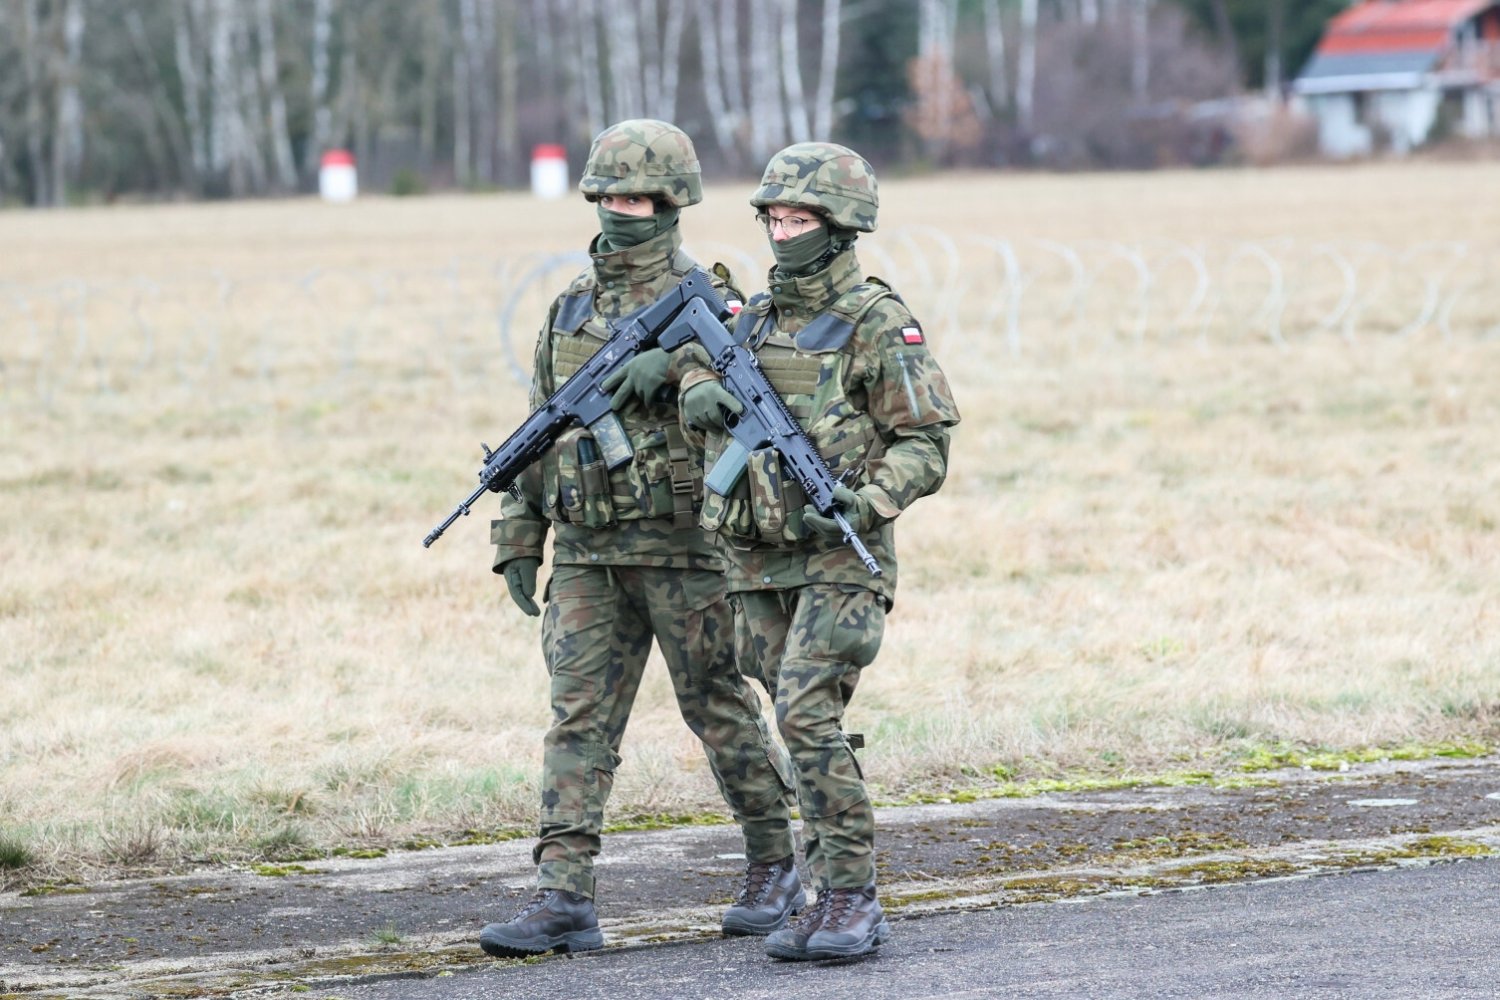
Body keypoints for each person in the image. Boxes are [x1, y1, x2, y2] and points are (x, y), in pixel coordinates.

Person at [478, 120, 802, 959]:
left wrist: (683, 370)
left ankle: (776, 865)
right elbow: (541, 427)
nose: (622, 213)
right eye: (610, 197)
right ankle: (563, 894)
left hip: (688, 549)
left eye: (641, 200)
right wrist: (519, 532)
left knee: (720, 708)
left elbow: (756, 409)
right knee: (577, 721)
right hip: (588, 552)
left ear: (673, 204)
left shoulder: (713, 305)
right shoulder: (570, 310)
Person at [674, 142, 960, 961]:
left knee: (804, 712)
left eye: (799, 219)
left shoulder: (877, 322)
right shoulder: (754, 319)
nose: (782, 232)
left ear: (839, 226)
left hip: (839, 558)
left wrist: (866, 501)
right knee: (805, 725)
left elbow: (926, 442)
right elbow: (695, 356)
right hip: (755, 561)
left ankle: (851, 898)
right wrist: (698, 389)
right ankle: (820, 888)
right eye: (774, 218)